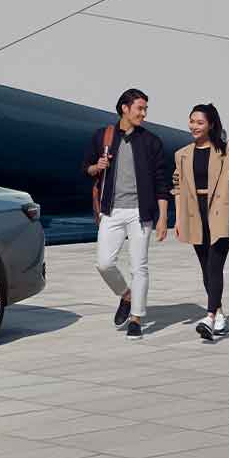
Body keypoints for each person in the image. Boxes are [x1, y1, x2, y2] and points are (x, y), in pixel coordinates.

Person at [83, 88, 170, 340]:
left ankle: (136, 318)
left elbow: (161, 182)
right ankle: (126, 295)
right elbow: (85, 168)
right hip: (111, 211)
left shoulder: (152, 141)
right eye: (139, 108)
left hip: (140, 214)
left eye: (145, 109)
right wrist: (95, 167)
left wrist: (163, 217)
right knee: (104, 263)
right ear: (124, 108)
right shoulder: (104, 137)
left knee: (139, 266)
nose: (143, 113)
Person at [172, 104, 229, 341]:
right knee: (206, 269)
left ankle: (210, 317)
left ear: (211, 125)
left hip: (219, 214)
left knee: (215, 266)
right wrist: (178, 217)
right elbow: (176, 186)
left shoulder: (223, 151)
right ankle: (220, 315)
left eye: (200, 122)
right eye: (192, 121)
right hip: (194, 214)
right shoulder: (182, 154)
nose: (194, 126)